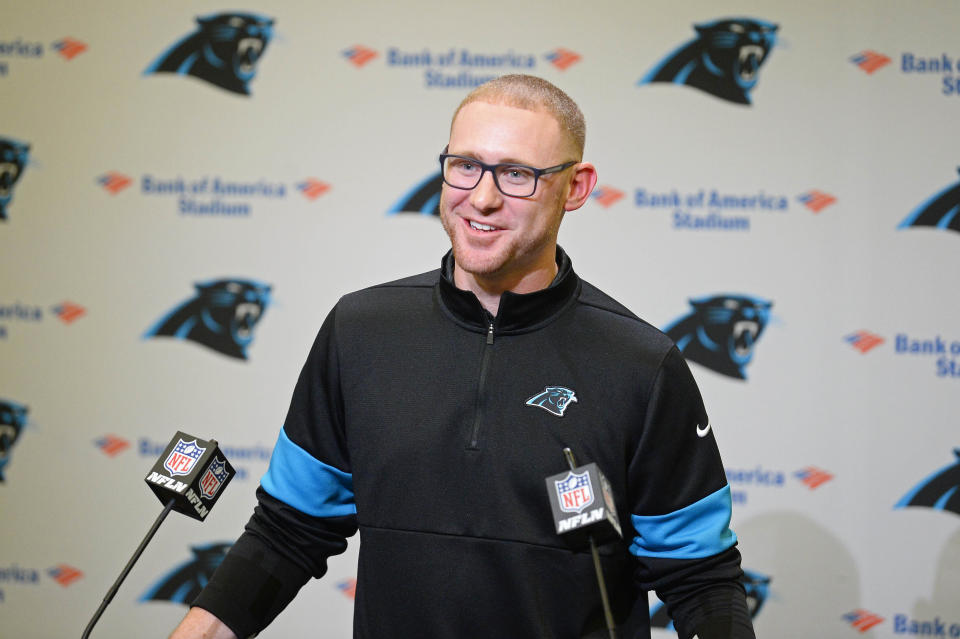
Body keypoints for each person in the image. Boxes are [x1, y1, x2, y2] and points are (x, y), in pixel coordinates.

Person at [170, 74, 755, 639]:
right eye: (466, 165)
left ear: (575, 187)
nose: (482, 197)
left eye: (518, 174)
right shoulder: (360, 331)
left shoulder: (641, 364)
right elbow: (287, 530)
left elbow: (700, 579)